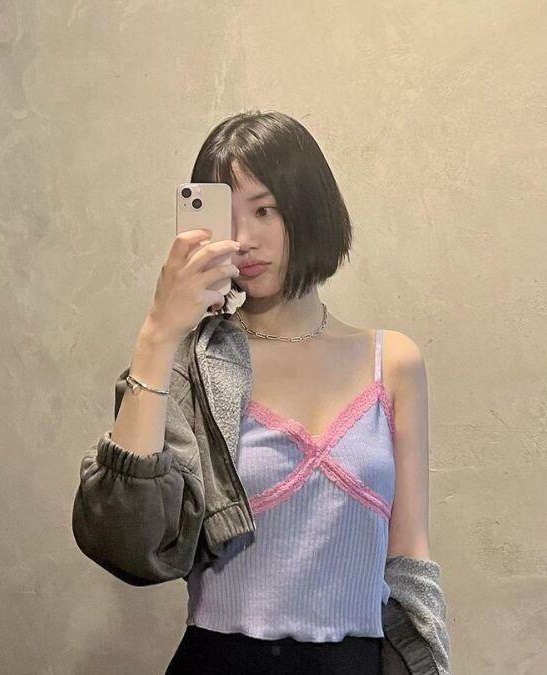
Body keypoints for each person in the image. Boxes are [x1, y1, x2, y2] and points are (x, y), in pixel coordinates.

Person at [105, 110, 445, 674]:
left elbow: (410, 558)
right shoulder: (194, 361)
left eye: (265, 210)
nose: (244, 239)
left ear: (307, 208)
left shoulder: (393, 362)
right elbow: (127, 537)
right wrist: (158, 333)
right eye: (229, 217)